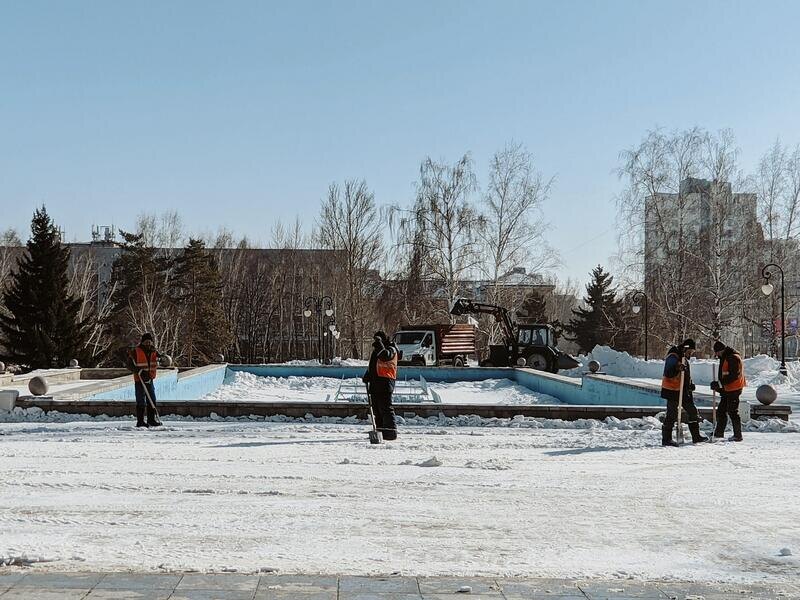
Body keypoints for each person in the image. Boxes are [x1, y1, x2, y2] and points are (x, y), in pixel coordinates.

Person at [660, 338, 708, 446]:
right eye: (690, 352)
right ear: (686, 349)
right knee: (672, 414)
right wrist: (677, 367)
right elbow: (668, 372)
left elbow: (685, 375)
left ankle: (696, 436)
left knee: (692, 411)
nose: (691, 354)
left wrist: (690, 384)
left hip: (683, 391)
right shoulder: (673, 356)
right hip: (672, 390)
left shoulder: (684, 358)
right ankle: (666, 439)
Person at [362, 331, 399, 441]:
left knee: (385, 408)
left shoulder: (391, 349)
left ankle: (390, 432)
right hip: (375, 383)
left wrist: (379, 344)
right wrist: (368, 375)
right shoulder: (378, 350)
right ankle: (380, 430)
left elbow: (384, 356)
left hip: (385, 382)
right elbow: (374, 365)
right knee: (377, 409)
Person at [710, 340, 746, 442]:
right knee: (721, 411)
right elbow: (725, 374)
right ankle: (719, 433)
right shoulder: (726, 357)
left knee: (733, 412)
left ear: (721, 350)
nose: (717, 355)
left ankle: (738, 435)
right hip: (728, 389)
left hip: (734, 389)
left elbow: (734, 375)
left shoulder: (733, 357)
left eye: (717, 353)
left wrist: (720, 384)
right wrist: (719, 387)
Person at [126, 332, 162, 428]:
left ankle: (151, 420)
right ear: (142, 342)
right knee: (141, 401)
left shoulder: (154, 351)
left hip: (149, 379)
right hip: (140, 380)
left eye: (149, 341)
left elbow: (161, 359)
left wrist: (163, 359)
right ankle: (140, 421)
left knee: (152, 400)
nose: (148, 343)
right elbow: (129, 364)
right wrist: (138, 370)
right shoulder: (136, 351)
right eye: (146, 341)